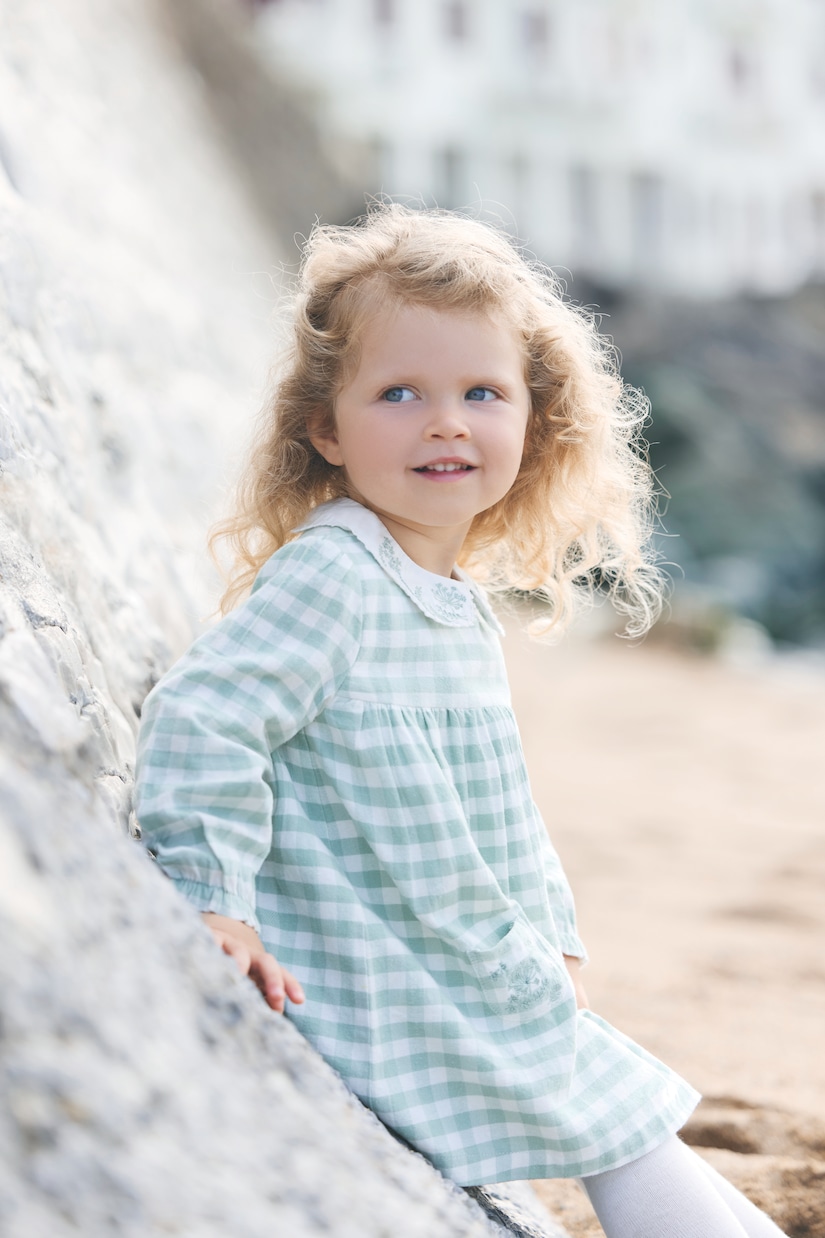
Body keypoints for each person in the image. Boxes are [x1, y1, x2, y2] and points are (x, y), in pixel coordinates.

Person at [135, 204, 786, 1238]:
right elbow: (206, 719)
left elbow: (502, 806)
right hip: (379, 968)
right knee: (614, 1118)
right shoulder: (337, 573)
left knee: (617, 1108)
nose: (445, 422)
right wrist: (218, 903)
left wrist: (553, 938)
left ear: (533, 422)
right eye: (399, 393)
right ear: (326, 429)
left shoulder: (452, 601)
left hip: (458, 953)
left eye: (481, 393)